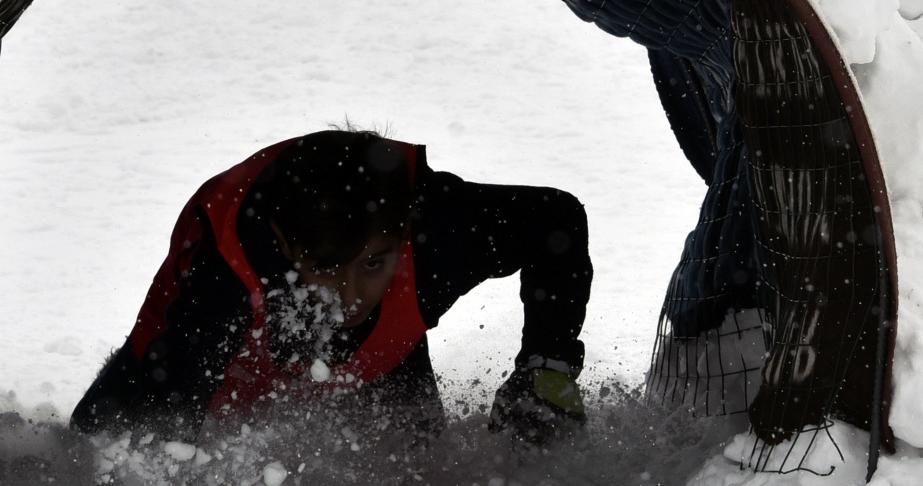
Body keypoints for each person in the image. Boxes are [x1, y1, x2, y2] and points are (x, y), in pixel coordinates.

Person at [72, 130, 592, 449]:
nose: (351, 295)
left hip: (383, 353)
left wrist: (546, 368)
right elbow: (158, 427)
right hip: (205, 350)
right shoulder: (222, 284)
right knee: (94, 443)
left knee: (422, 472)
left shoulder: (439, 235)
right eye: (328, 269)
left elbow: (556, 220)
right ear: (283, 245)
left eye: (374, 263)